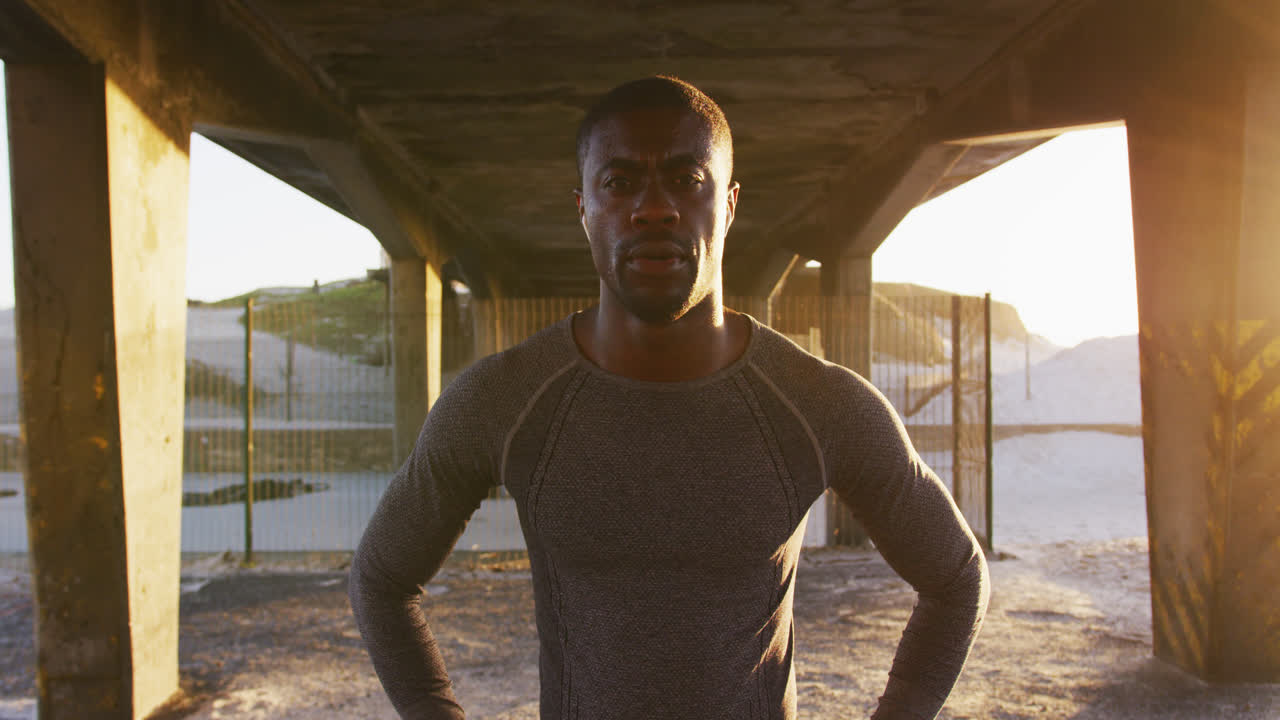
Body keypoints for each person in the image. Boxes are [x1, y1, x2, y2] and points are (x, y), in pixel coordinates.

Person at [349, 75, 989, 720]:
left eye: (687, 180)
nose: (654, 207)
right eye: (620, 182)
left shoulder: (819, 401)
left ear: (730, 204)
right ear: (583, 209)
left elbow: (957, 579)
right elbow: (381, 580)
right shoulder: (503, 399)